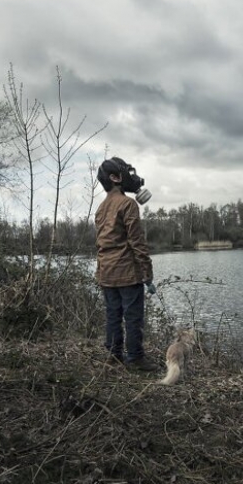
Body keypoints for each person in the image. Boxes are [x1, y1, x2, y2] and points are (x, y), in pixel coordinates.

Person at [95, 157, 157, 371]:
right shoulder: (128, 204)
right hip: (127, 274)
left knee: (113, 316)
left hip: (106, 273)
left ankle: (113, 357)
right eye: (125, 172)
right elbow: (136, 242)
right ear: (115, 178)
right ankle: (136, 360)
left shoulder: (101, 208)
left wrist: (100, 272)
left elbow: (101, 243)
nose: (131, 177)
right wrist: (147, 273)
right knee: (132, 318)